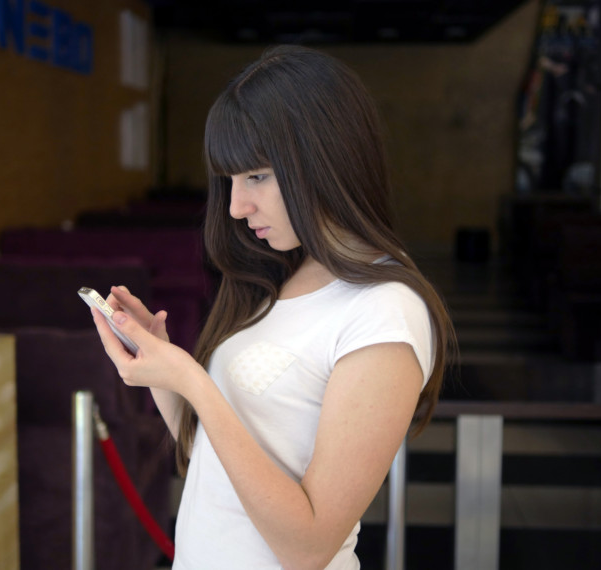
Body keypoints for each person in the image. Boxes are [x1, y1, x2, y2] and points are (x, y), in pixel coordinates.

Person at [91, 44, 456, 569]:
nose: (237, 206)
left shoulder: (384, 312)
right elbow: (214, 461)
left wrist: (194, 381)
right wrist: (159, 368)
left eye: (256, 177)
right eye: (230, 182)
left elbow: (307, 547)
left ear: (326, 160)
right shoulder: (284, 276)